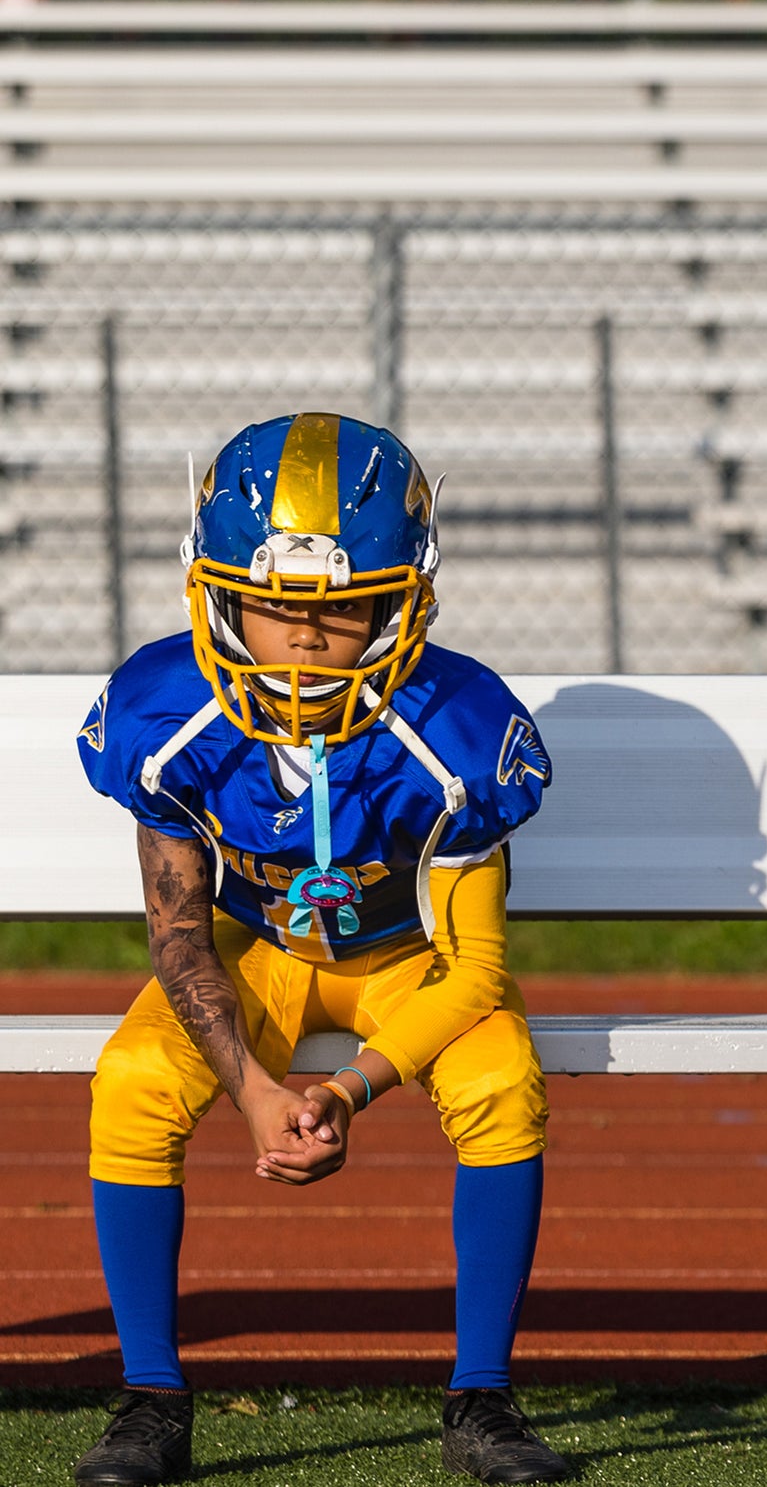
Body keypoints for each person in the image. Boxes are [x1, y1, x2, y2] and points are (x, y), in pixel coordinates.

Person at [73, 413, 569, 1486]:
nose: (303, 638)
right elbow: (178, 934)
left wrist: (348, 1089)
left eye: (342, 611)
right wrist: (254, 1090)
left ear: (405, 602)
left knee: (500, 1079)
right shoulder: (171, 716)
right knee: (132, 1083)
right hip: (254, 954)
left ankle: (483, 1395)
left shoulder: (456, 733)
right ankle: (151, 1394)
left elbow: (476, 970)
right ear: (213, 592)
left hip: (411, 960)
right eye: (273, 605)